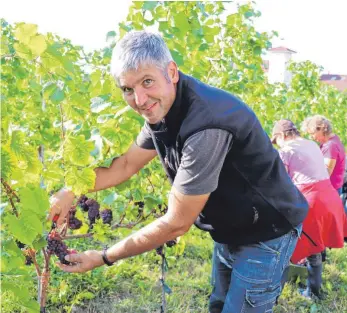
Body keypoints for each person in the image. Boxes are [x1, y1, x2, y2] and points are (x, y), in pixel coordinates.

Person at [48, 30, 308, 313]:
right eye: (127, 89)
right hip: (232, 226)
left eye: (147, 81)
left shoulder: (206, 127)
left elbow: (177, 223)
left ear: (171, 71)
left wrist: (103, 257)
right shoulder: (163, 108)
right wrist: (70, 190)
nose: (139, 99)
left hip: (267, 230)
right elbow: (125, 165)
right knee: (220, 304)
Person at [271, 119, 347, 299]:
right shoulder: (312, 144)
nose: (277, 145)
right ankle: (314, 291)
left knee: (286, 245)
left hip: (311, 201)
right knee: (315, 245)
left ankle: (273, 294)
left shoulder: (286, 150)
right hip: (329, 197)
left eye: (276, 141)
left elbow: (281, 183)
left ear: (281, 135)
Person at [301, 115, 346, 196]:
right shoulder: (334, 139)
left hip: (331, 190)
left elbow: (326, 173)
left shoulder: (330, 146)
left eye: (312, 133)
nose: (312, 137)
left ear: (321, 129)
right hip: (335, 188)